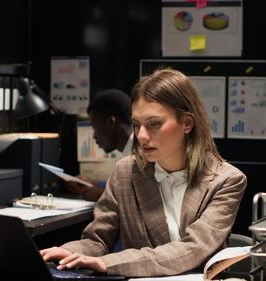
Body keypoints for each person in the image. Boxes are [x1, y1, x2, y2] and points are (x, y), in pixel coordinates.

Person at [40, 69, 247, 277]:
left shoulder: (227, 180)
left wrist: (108, 263)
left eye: (154, 124)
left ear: (186, 123)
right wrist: (69, 252)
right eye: (136, 125)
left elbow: (193, 249)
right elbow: (98, 239)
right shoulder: (125, 172)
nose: (141, 136)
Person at [65, 89, 133, 201]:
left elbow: (142, 200)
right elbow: (127, 188)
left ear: (111, 122)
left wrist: (102, 194)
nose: (94, 137)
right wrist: (95, 183)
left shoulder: (142, 155)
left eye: (95, 128)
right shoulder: (130, 152)